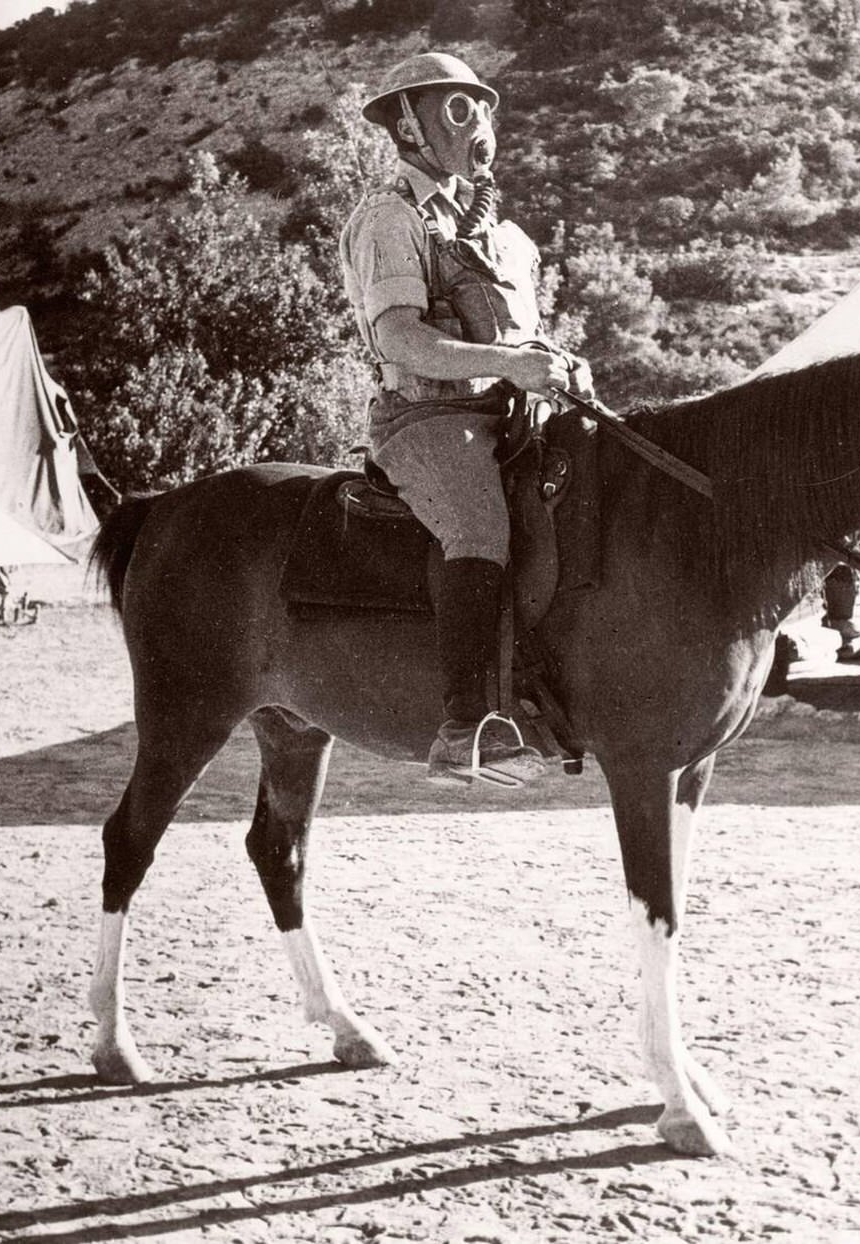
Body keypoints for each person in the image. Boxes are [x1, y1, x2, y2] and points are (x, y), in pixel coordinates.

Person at [340, 52, 593, 789]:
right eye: (458, 109)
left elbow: (520, 339)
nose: (478, 123)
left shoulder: (505, 233)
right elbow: (399, 338)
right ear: (409, 126)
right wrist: (512, 366)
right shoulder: (390, 218)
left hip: (512, 410)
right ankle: (462, 727)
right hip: (426, 417)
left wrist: (554, 363)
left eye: (482, 107)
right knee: (478, 527)